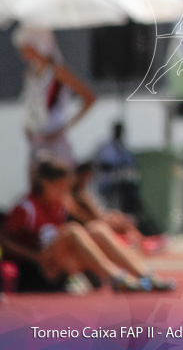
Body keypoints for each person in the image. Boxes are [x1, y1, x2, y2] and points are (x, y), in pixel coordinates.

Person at [0, 158, 173, 293]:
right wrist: (34, 256)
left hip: (62, 263)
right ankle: (118, 279)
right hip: (36, 268)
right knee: (73, 231)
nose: (64, 193)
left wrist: (112, 221)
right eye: (60, 188)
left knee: (98, 229)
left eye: (66, 189)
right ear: (46, 183)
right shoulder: (26, 208)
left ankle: (146, 275)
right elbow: (5, 241)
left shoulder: (61, 203)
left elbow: (89, 219)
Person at [13, 26, 96, 177]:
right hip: (37, 144)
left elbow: (89, 98)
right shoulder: (31, 73)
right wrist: (28, 127)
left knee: (59, 187)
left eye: (27, 47)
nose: (23, 53)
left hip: (55, 146)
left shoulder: (58, 72)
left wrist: (64, 128)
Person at [94, 122, 142, 215]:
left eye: (121, 130)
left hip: (123, 187)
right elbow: (102, 164)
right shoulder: (105, 147)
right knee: (109, 210)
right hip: (107, 184)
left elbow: (131, 164)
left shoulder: (125, 148)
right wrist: (116, 168)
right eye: (117, 130)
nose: (119, 132)